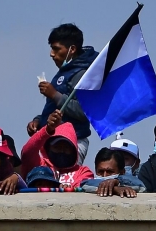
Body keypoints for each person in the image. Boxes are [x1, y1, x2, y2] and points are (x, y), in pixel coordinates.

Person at [26, 23, 98, 164]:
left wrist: (55, 95)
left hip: (71, 143)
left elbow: (86, 112)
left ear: (72, 49)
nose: (51, 54)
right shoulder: (65, 72)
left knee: (65, 184)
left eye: (56, 49)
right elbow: (57, 110)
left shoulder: (82, 73)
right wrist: (38, 121)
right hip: (53, 142)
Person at [21, 109, 94, 189]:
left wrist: (69, 190)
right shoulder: (39, 164)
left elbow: (84, 190)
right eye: (57, 147)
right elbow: (27, 152)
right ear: (48, 148)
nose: (62, 151)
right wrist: (47, 130)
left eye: (66, 147)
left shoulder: (82, 172)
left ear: (74, 150)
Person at [80, 148, 145, 197]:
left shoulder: (130, 180)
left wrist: (117, 181)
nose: (105, 175)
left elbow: (140, 186)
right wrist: (114, 189)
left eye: (110, 172)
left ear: (122, 172)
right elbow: (85, 184)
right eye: (100, 171)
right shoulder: (91, 183)